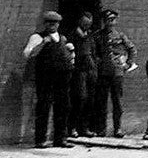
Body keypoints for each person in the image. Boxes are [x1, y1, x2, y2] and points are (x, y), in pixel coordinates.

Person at [23, 11, 74, 148]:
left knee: (63, 107)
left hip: (62, 77)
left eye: (55, 23)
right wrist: (42, 44)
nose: (52, 25)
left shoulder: (62, 38)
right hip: (45, 77)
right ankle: (40, 140)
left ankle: (60, 139)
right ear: (45, 24)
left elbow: (68, 55)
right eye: (49, 23)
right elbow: (28, 54)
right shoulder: (37, 37)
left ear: (58, 24)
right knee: (43, 106)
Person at [92, 8, 136, 137]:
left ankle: (118, 129)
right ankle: (101, 129)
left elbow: (132, 49)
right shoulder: (97, 36)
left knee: (117, 101)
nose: (110, 23)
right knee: (101, 102)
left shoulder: (120, 36)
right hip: (103, 73)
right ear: (104, 21)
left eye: (112, 20)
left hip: (117, 73)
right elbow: (93, 52)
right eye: (107, 20)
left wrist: (128, 64)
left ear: (115, 21)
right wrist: (97, 61)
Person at [68, 12, 97, 138]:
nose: (87, 26)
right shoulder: (73, 35)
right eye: (85, 23)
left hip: (91, 71)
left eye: (89, 23)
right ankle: (72, 127)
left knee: (90, 100)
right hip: (79, 71)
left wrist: (95, 65)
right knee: (80, 98)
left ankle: (84, 128)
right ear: (80, 22)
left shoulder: (90, 35)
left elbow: (94, 52)